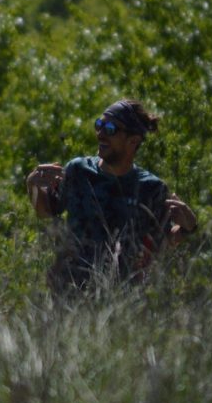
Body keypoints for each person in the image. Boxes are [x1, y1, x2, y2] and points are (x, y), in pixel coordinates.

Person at [26, 98, 197, 292]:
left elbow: (162, 243)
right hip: (69, 290)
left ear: (133, 141)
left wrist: (187, 228)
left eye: (110, 129)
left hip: (119, 297)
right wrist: (33, 187)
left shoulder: (151, 188)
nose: (100, 133)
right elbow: (47, 211)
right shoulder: (78, 170)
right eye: (99, 124)